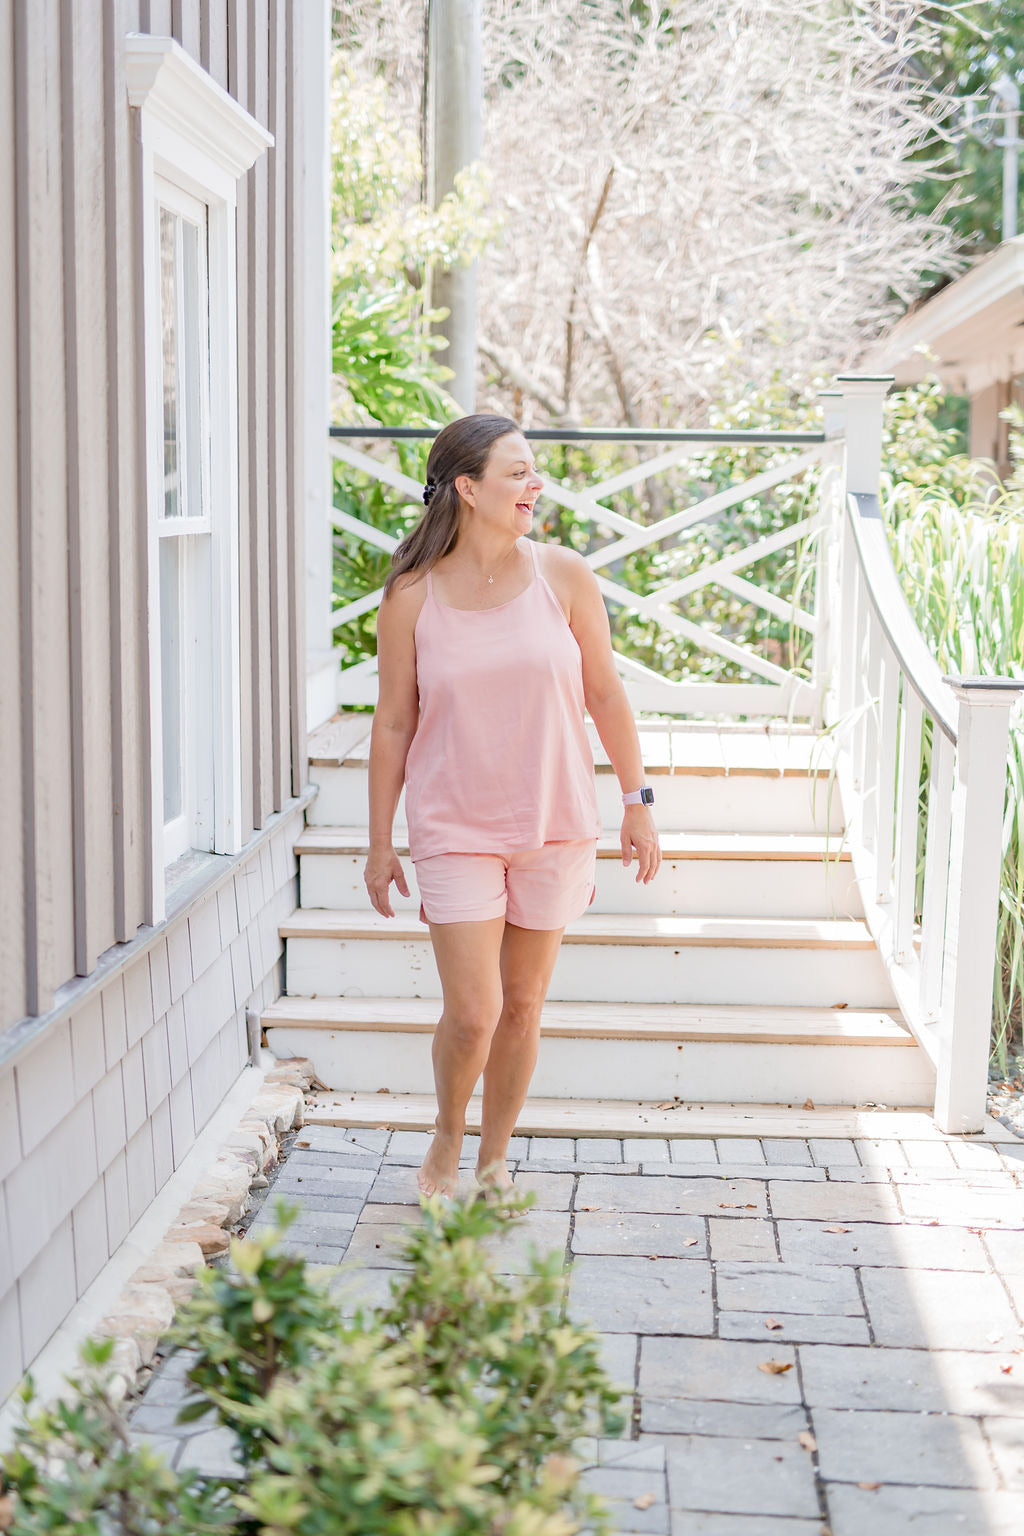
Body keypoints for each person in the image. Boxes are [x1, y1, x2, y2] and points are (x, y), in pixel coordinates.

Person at [363, 414, 661, 1200]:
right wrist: (378, 842)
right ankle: (446, 1139)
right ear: (467, 487)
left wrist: (637, 801)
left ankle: (494, 1162)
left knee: (523, 1005)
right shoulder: (411, 595)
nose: (537, 487)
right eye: (519, 474)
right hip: (454, 825)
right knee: (474, 1013)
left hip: (553, 821)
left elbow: (604, 691)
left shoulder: (564, 576)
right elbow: (394, 720)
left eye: (535, 473)